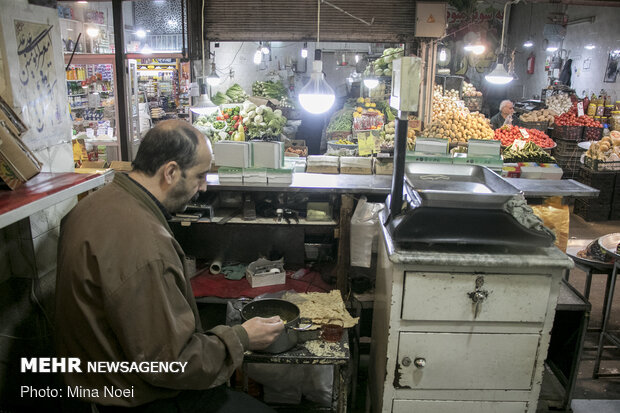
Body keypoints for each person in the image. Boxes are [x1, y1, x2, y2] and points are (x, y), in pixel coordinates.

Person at [55, 120, 284, 412]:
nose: (203, 186)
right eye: (200, 175)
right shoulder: (145, 246)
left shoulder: (92, 205)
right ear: (171, 172)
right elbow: (169, 364)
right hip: (142, 398)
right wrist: (241, 337)